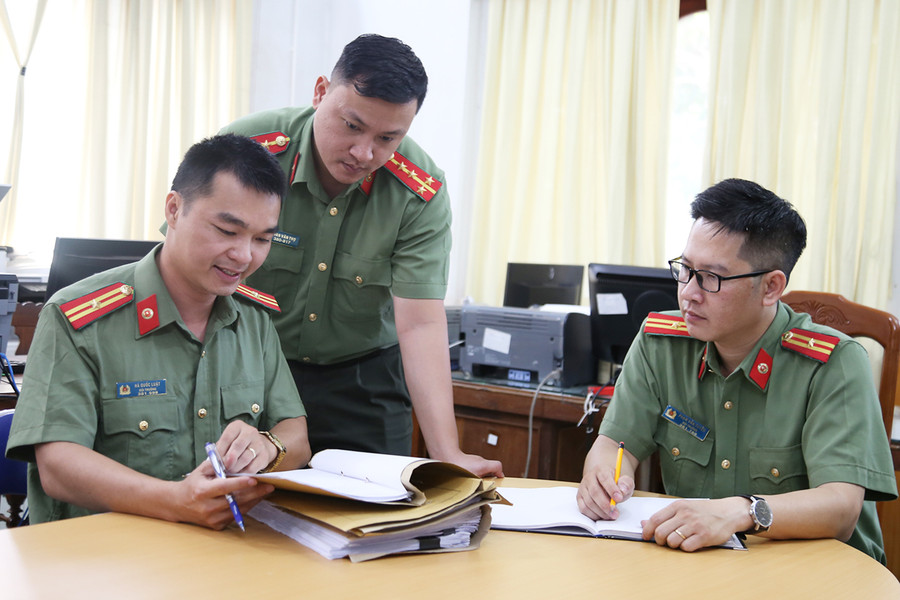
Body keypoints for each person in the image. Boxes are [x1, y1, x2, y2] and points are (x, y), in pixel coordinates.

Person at [220, 34, 502, 477]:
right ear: (319, 93)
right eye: (351, 125)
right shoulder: (248, 151)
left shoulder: (419, 191)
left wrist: (448, 451)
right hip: (249, 370)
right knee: (238, 516)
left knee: (380, 518)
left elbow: (421, 323)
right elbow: (192, 273)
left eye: (388, 137)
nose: (364, 153)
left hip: (361, 382)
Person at [576, 178, 897, 562]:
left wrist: (741, 511)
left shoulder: (834, 363)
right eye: (685, 268)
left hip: (818, 573)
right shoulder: (660, 342)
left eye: (711, 277)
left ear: (771, 287)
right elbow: (616, 445)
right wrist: (603, 475)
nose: (688, 293)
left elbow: (841, 508)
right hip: (705, 565)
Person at [7, 134, 312, 528]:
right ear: (174, 209)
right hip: (101, 564)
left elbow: (297, 437)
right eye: (227, 230)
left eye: (262, 239)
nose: (244, 256)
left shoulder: (253, 318)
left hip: (223, 558)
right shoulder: (77, 318)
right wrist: (175, 501)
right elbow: (58, 466)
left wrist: (267, 446)